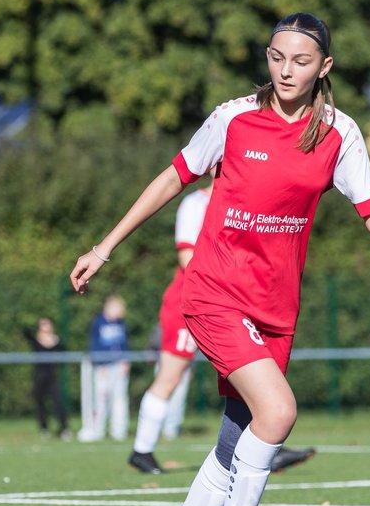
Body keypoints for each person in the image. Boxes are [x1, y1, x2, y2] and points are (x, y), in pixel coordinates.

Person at [71, 12, 370, 506]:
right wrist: (104, 247)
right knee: (279, 412)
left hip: (276, 307)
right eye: (277, 57)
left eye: (302, 61)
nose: (287, 70)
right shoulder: (233, 119)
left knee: (238, 437)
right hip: (212, 292)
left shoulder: (340, 132)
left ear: (324, 68)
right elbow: (171, 178)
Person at [128, 181, 316, 475]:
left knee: (254, 375)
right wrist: (228, 287)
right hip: (196, 301)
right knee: (170, 377)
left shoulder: (247, 199)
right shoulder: (195, 203)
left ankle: (263, 446)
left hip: (238, 301)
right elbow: (186, 257)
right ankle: (142, 451)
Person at [83, 294, 131, 442]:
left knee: (120, 399)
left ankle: (119, 431)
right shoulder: (98, 323)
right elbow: (95, 345)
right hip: (104, 368)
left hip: (119, 367)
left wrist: (126, 361)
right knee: (101, 400)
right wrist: (100, 363)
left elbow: (125, 344)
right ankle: (97, 431)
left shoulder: (121, 324)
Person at [23, 317, 70, 438]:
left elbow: (64, 350)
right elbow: (25, 333)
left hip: (52, 376)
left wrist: (53, 341)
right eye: (43, 325)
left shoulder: (56, 341)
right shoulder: (36, 340)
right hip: (39, 375)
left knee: (58, 402)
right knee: (40, 403)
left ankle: (64, 428)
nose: (46, 327)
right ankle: (44, 429)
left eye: (47, 324)